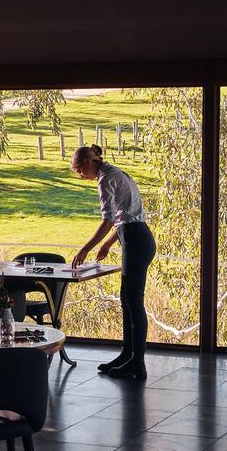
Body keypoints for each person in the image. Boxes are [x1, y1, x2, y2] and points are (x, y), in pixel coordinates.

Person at [70, 144, 155, 379]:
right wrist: (107, 244)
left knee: (134, 302)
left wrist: (85, 249)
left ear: (88, 163)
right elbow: (125, 217)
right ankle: (127, 355)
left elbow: (108, 220)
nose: (80, 176)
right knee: (127, 300)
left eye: (79, 170)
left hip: (135, 239)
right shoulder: (116, 172)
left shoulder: (105, 178)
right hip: (137, 236)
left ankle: (137, 363)